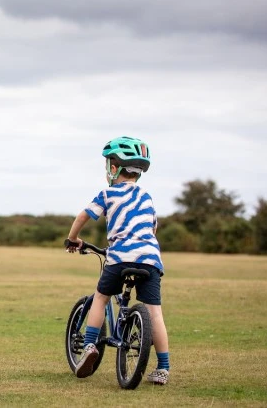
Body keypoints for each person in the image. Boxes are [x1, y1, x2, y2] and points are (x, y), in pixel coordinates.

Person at [65, 136, 170, 385]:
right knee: (155, 313)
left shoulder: (107, 193)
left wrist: (73, 239)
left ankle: (90, 344)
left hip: (120, 257)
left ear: (114, 169)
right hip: (150, 259)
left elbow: (83, 216)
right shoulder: (147, 197)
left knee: (100, 298)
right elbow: (153, 229)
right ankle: (163, 367)